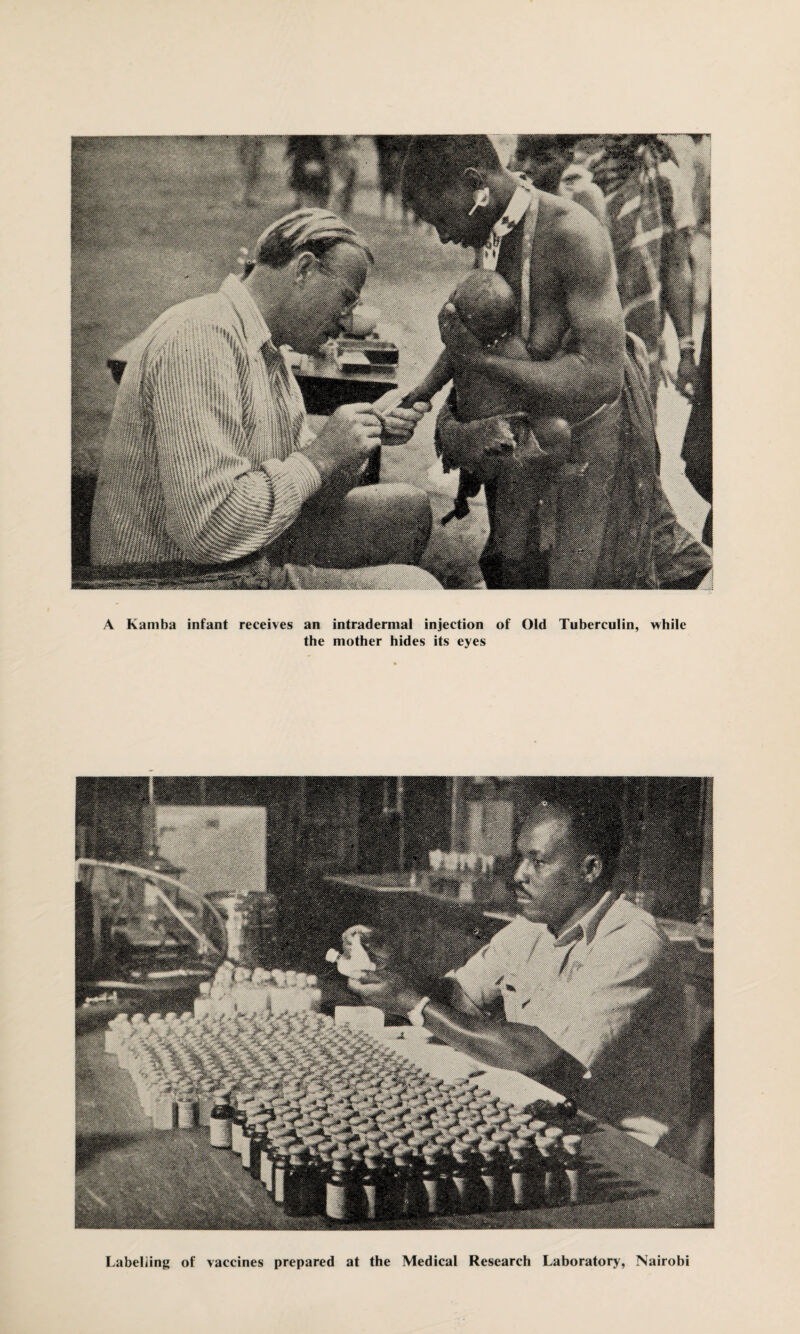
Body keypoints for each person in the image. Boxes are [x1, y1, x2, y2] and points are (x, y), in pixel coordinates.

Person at [401, 135, 710, 589]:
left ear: (475, 184)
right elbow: (484, 331)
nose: (444, 236)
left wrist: (481, 363)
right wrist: (422, 393)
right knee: (514, 578)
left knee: (575, 601)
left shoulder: (571, 233)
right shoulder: (493, 231)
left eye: (442, 219)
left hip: (586, 454)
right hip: (524, 452)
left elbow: (600, 378)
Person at [90, 209, 439, 589]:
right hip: (172, 578)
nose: (347, 320)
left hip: (232, 551)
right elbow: (210, 529)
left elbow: (308, 493)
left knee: (408, 511)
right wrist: (321, 456)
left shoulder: (264, 347)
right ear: (304, 269)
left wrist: (357, 443)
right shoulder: (200, 339)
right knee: (414, 589)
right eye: (346, 299)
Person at [349, 782, 690, 1153]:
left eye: (537, 862)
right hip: (550, 1118)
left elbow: (539, 1055)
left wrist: (412, 1003)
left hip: (622, 1149)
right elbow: (459, 998)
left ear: (590, 869)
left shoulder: (631, 942)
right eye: (521, 859)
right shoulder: (533, 926)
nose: (519, 874)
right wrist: (395, 969)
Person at [561, 135, 698, 407]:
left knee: (637, 418)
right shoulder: (572, 174)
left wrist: (686, 350)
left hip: (640, 339)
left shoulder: (665, 177)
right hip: (576, 342)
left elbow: (675, 268)